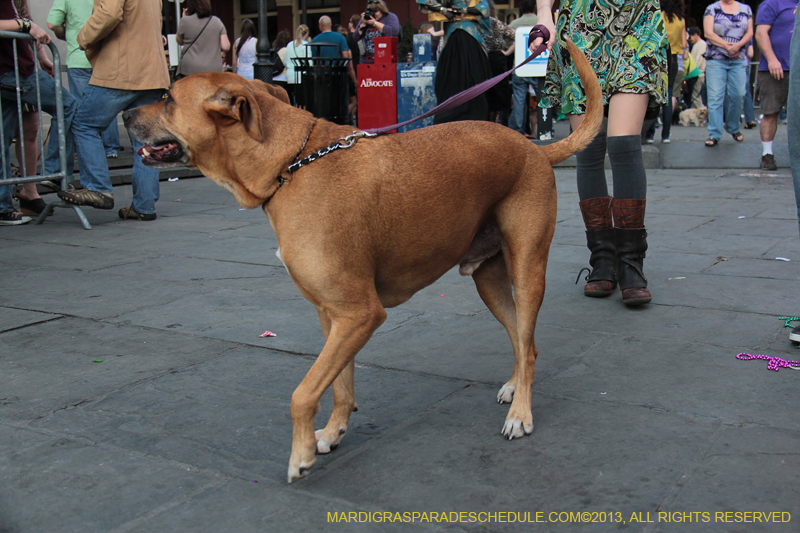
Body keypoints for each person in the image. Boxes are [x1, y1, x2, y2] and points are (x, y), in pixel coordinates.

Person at [538, 0, 668, 306]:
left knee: (624, 145)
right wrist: (544, 14)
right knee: (589, 145)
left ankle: (631, 262)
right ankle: (603, 259)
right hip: (581, 24)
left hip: (638, 20)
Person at [56, 0, 169, 221]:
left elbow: (109, 13)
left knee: (84, 124)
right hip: (151, 71)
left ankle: (98, 188)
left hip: (121, 68)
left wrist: (83, 37)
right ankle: (144, 206)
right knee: (144, 140)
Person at [1, 0, 77, 226]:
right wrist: (24, 26)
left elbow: (24, 19)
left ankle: (8, 204)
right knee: (68, 105)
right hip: (15, 70)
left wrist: (41, 55)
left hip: (17, 67)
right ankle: (52, 172)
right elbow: (23, 23)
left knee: (10, 136)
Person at [47, 0, 122, 168]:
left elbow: (52, 23)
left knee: (82, 110)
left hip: (78, 56)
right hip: (104, 57)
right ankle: (111, 148)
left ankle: (86, 150)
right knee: (106, 105)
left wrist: (65, 33)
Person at [416, 0, 492, 124]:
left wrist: (445, 10)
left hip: (458, 39)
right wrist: (449, 11)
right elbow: (483, 9)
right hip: (468, 40)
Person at [702, 0, 753, 147]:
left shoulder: (746, 9)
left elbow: (749, 32)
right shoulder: (712, 8)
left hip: (739, 58)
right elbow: (708, 33)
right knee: (715, 96)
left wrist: (737, 46)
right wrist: (727, 47)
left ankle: (732, 127)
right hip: (716, 59)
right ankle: (714, 133)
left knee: (738, 94)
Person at [755, 0, 798, 171]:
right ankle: (767, 155)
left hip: (797, 67)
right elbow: (760, 33)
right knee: (770, 111)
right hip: (776, 68)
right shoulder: (772, 3)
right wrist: (772, 60)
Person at [175, 0, 230, 78]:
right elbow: (226, 46)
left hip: (189, 69)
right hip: (213, 70)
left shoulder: (185, 21)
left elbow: (179, 41)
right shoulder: (216, 21)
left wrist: (184, 17)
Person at [508, 0, 537, 135]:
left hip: (519, 66)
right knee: (544, 99)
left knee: (519, 101)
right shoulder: (540, 21)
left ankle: (518, 131)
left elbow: (506, 42)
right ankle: (546, 129)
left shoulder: (514, 24)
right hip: (539, 67)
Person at [661, 0, 687, 144]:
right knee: (669, 94)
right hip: (674, 58)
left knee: (655, 93)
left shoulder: (658, 16)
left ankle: (650, 134)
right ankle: (666, 134)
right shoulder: (681, 20)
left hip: (659, 55)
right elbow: (684, 44)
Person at [485, 2, 515, 124]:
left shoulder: (478, 23)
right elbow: (514, 35)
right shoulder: (497, 23)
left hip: (482, 58)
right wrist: (507, 52)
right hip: (497, 59)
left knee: (483, 96)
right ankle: (493, 124)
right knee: (496, 98)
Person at [311, 16, 357, 85]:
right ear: (331, 25)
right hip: (339, 74)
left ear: (320, 26)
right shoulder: (340, 37)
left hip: (323, 76)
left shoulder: (315, 40)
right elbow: (345, 56)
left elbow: (316, 60)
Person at [354, 0, 401, 64]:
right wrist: (363, 26)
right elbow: (355, 38)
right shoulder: (365, 19)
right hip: (366, 61)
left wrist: (375, 23)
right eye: (371, 12)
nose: (373, 14)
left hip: (385, 60)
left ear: (382, 10)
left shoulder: (390, 17)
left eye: (376, 11)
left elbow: (393, 32)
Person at [284, 24, 310, 106]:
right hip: (301, 76)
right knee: (302, 101)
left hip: (290, 75)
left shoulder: (289, 44)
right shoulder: (305, 45)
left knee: (292, 99)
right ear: (306, 34)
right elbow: (309, 62)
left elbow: (285, 61)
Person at [688, 26, 708, 108]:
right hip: (694, 74)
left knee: (696, 98)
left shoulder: (702, 44)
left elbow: (699, 60)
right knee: (694, 97)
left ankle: (701, 117)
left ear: (695, 34)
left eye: (690, 36)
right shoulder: (696, 45)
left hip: (698, 74)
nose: (689, 39)